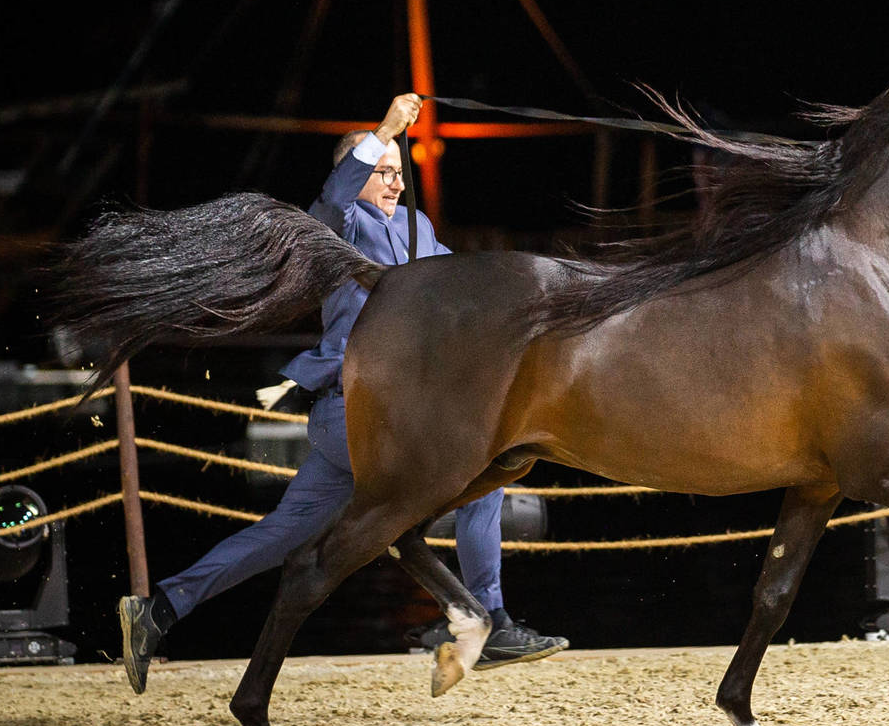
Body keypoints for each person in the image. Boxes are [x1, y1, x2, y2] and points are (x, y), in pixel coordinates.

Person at [118, 93, 567, 691]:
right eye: (383, 173)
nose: (395, 183)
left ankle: (160, 610)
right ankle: (486, 617)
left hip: (362, 420)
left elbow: (462, 286)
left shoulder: (418, 228)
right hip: (356, 415)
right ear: (356, 173)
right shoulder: (338, 223)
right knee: (478, 476)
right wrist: (385, 129)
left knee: (283, 534)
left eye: (399, 175)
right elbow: (337, 192)